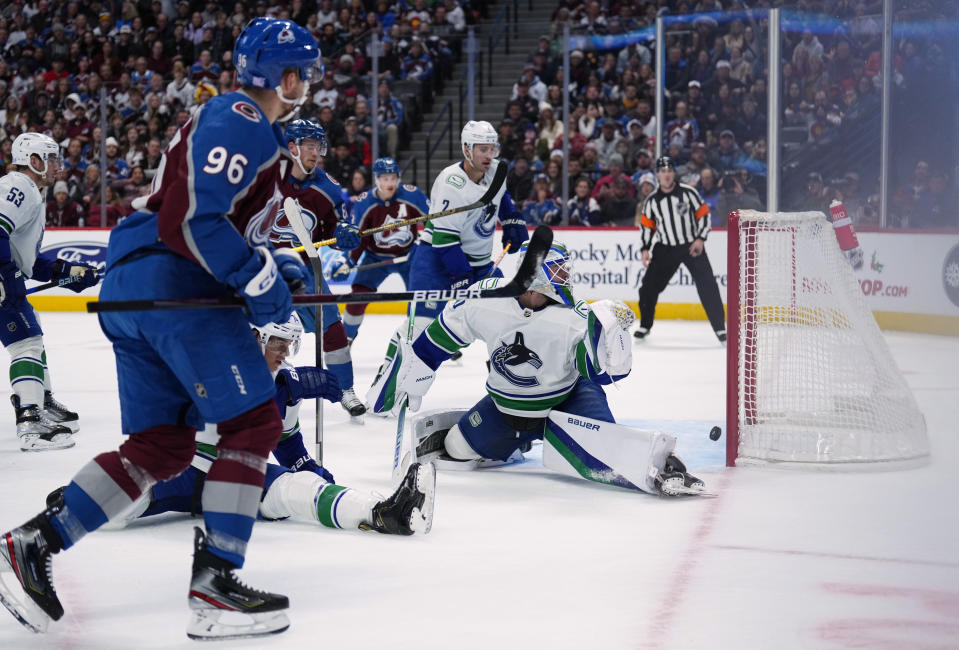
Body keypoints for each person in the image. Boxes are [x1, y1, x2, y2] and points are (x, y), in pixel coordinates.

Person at [0, 19, 322, 640]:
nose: (306, 82)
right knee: (254, 423)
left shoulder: (247, 134)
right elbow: (194, 222)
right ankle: (217, 585)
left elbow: (215, 222)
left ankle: (32, 544)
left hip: (138, 286)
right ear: (284, 76)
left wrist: (266, 272)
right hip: (174, 287)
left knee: (162, 448)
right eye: (302, 71)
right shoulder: (243, 119)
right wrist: (262, 290)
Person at [371, 241, 706, 496]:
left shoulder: (575, 315)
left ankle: (665, 467)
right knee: (456, 449)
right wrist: (416, 374)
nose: (565, 279)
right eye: (558, 271)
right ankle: (516, 442)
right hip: (507, 408)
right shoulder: (485, 300)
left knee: (607, 452)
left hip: (569, 399)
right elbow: (438, 340)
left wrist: (614, 348)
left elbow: (602, 374)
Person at [80, 314, 435, 536]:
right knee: (122, 500)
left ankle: (380, 513)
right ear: (253, 337)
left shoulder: (285, 383)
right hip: (186, 468)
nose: (284, 352)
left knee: (299, 490)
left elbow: (288, 443)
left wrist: (308, 468)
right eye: (276, 343)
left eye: (289, 344)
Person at [0, 132, 99, 452]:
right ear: (34, 161)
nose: (58, 165)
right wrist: (5, 277)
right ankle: (30, 420)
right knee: (26, 342)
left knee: (31, 331)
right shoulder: (18, 186)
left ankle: (38, 399)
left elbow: (28, 261)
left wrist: (68, 273)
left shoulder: (29, 190)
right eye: (52, 158)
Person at [275, 118, 367, 418]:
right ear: (293, 147)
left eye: (319, 146)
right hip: (260, 268)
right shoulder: (266, 179)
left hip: (303, 271)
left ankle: (345, 388)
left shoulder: (327, 188)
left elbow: (333, 233)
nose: (317, 153)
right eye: (310, 146)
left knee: (331, 324)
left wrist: (344, 237)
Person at [405, 120, 528, 341]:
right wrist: (462, 277)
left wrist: (511, 220)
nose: (489, 155)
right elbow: (444, 239)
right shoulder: (451, 183)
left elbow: (501, 197)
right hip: (435, 262)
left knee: (511, 318)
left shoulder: (497, 171)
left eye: (492, 149)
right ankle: (392, 372)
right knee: (417, 332)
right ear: (466, 149)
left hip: (479, 266)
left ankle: (505, 370)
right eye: (482, 149)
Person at [339, 157, 429, 348]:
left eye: (393, 178)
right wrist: (349, 261)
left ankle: (425, 336)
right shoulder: (365, 202)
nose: (389, 183)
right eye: (384, 179)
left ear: (399, 178)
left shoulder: (412, 195)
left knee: (419, 298)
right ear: (376, 180)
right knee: (357, 296)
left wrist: (426, 250)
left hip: (408, 255)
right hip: (375, 257)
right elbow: (359, 236)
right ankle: (345, 338)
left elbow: (434, 224)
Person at [635, 156, 726, 343]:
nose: (666, 175)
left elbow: (704, 216)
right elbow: (647, 227)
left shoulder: (688, 193)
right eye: (662, 171)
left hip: (691, 246)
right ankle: (645, 325)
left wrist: (700, 238)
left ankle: (720, 328)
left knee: (708, 285)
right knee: (648, 288)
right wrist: (645, 249)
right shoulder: (652, 201)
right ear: (657, 174)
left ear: (673, 173)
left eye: (669, 171)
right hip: (665, 248)